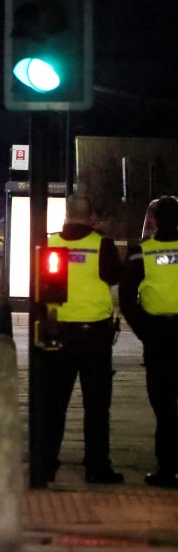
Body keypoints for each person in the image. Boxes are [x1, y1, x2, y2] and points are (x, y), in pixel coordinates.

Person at [40, 193, 123, 484]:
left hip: (57, 334)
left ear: (66, 215)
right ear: (90, 217)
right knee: (97, 406)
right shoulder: (103, 245)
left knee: (54, 403)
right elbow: (115, 278)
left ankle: (46, 464)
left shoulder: (50, 243)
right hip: (95, 336)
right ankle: (96, 467)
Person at [121, 195, 178, 488]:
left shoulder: (141, 253)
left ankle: (168, 468)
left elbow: (127, 298)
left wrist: (144, 329)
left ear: (153, 220)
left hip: (159, 335)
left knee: (164, 405)